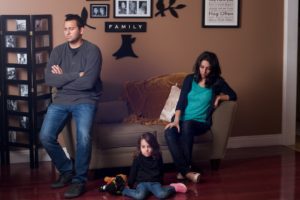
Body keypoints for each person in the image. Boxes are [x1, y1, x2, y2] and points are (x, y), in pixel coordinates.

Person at [40, 14, 102, 198]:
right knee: (45, 136)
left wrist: (63, 78)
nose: (67, 32)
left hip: (86, 99)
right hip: (61, 100)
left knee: (83, 137)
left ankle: (79, 180)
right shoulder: (58, 51)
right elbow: (49, 79)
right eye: (65, 29)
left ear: (81, 30)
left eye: (71, 28)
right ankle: (67, 170)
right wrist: (76, 74)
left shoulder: (93, 51)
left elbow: (89, 83)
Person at [164, 51, 237, 183]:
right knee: (169, 131)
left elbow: (233, 95)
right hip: (182, 119)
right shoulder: (189, 79)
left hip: (200, 122)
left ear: (213, 69)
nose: (204, 71)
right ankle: (186, 171)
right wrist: (176, 121)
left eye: (208, 68)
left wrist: (220, 97)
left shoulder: (217, 82)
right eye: (202, 67)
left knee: (187, 124)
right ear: (198, 66)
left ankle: (183, 171)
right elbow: (181, 101)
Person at [122, 132, 187, 199]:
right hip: (142, 183)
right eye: (143, 147)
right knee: (140, 196)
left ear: (154, 146)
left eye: (149, 146)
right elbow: (133, 172)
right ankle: (124, 190)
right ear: (140, 147)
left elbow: (161, 169)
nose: (146, 149)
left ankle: (174, 187)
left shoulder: (157, 156)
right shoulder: (138, 157)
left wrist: (161, 183)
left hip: (155, 182)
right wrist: (130, 185)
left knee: (161, 195)